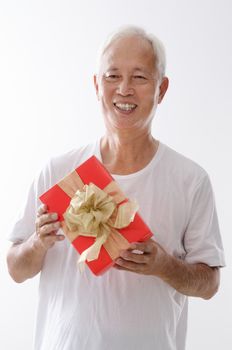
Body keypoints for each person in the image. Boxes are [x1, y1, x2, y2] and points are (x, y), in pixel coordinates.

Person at [7, 26, 225, 350]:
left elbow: (209, 284)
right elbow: (15, 268)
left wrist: (164, 265)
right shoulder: (58, 171)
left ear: (161, 89)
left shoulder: (190, 180)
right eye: (112, 76)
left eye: (139, 77)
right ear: (97, 85)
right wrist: (38, 242)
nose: (123, 89)